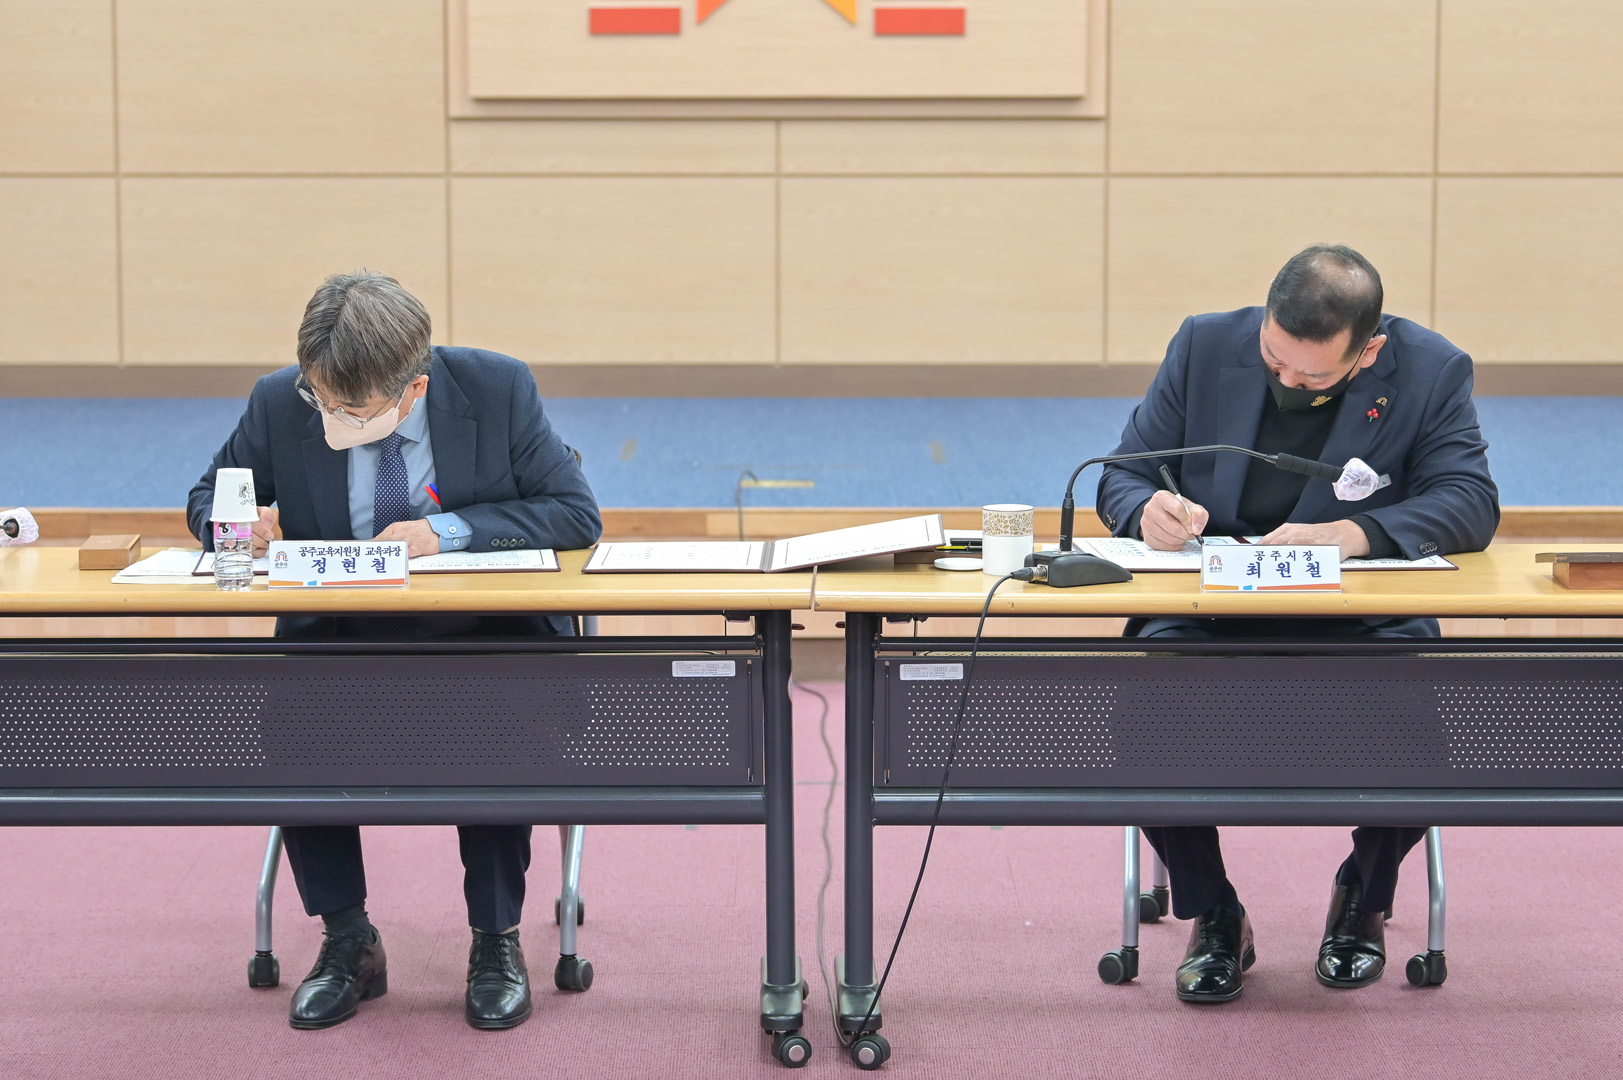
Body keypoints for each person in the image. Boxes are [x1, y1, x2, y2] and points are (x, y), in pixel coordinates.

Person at [188, 270, 601, 1030]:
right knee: (292, 728)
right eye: (321, 399)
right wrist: (240, 526)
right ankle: (349, 939)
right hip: (341, 648)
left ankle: (496, 940)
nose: (329, 418)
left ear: (413, 389)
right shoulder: (280, 400)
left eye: (351, 410)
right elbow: (208, 497)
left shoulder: (497, 389)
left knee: (498, 722)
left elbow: (574, 513)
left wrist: (446, 532)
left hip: (482, 646)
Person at [1096, 244, 1499, 1003]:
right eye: (1274, 360)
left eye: (1311, 377)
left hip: (1357, 616)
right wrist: (1145, 509)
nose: (1286, 383)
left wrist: (1355, 534)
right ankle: (1213, 911)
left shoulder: (1430, 370)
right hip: (1210, 609)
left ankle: (1362, 897)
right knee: (1140, 707)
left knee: (1419, 717)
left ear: (1367, 351)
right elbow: (1124, 472)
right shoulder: (1205, 343)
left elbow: (1470, 500)